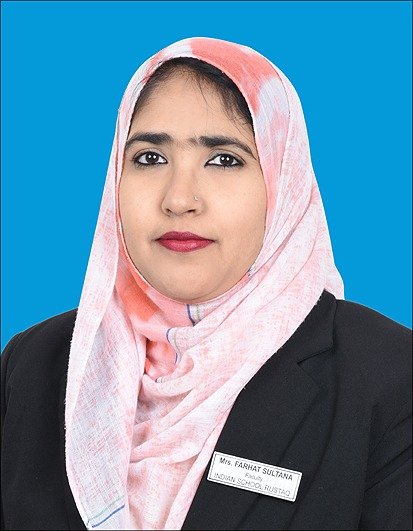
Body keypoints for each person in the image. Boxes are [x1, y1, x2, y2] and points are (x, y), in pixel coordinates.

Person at [1, 37, 411, 531]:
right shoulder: (34, 363)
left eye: (224, 159)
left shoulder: (388, 377)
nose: (179, 199)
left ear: (283, 181)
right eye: (150, 158)